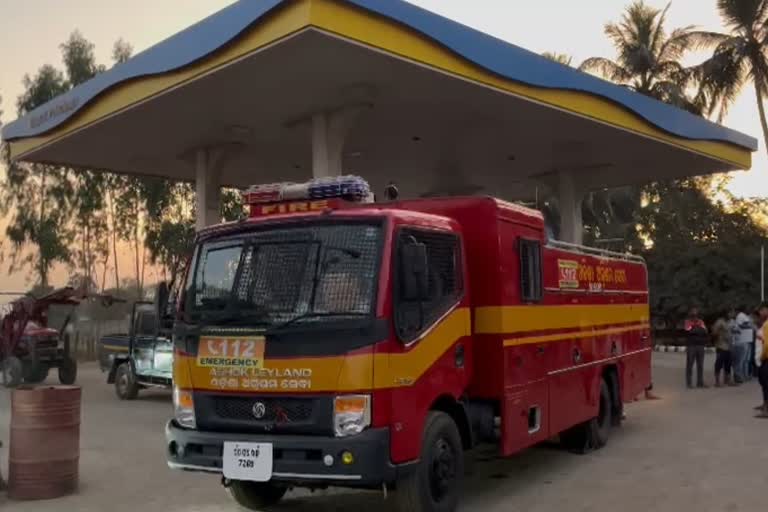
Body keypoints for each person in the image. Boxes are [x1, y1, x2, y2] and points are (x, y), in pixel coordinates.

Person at [684, 306, 708, 389]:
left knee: (700, 365)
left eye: (696, 312)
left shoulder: (701, 321)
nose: (694, 314)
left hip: (700, 345)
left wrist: (694, 329)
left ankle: (700, 382)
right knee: (690, 364)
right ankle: (689, 383)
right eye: (693, 312)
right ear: (690, 313)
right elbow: (688, 331)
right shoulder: (687, 321)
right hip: (691, 346)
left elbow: (705, 331)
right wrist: (698, 329)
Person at [753, 303, 768, 418]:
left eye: (762, 310)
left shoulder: (767, 325)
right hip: (762, 359)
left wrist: (761, 358)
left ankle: (766, 410)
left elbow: (766, 345)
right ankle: (765, 404)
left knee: (766, 384)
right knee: (763, 383)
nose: (760, 313)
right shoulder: (763, 324)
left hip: (765, 358)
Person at [712, 310, 734, 387]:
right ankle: (717, 381)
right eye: (730, 312)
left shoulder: (730, 322)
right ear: (726, 313)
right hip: (721, 346)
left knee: (728, 364)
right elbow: (714, 332)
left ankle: (728, 380)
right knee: (719, 364)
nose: (732, 314)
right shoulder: (720, 321)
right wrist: (719, 336)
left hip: (729, 346)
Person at [733, 305, 754, 383]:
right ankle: (739, 376)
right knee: (741, 360)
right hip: (742, 340)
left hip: (747, 340)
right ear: (744, 309)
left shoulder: (745, 316)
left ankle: (744, 375)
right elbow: (739, 325)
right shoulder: (740, 315)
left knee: (746, 360)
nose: (749, 309)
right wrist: (749, 326)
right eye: (748, 308)